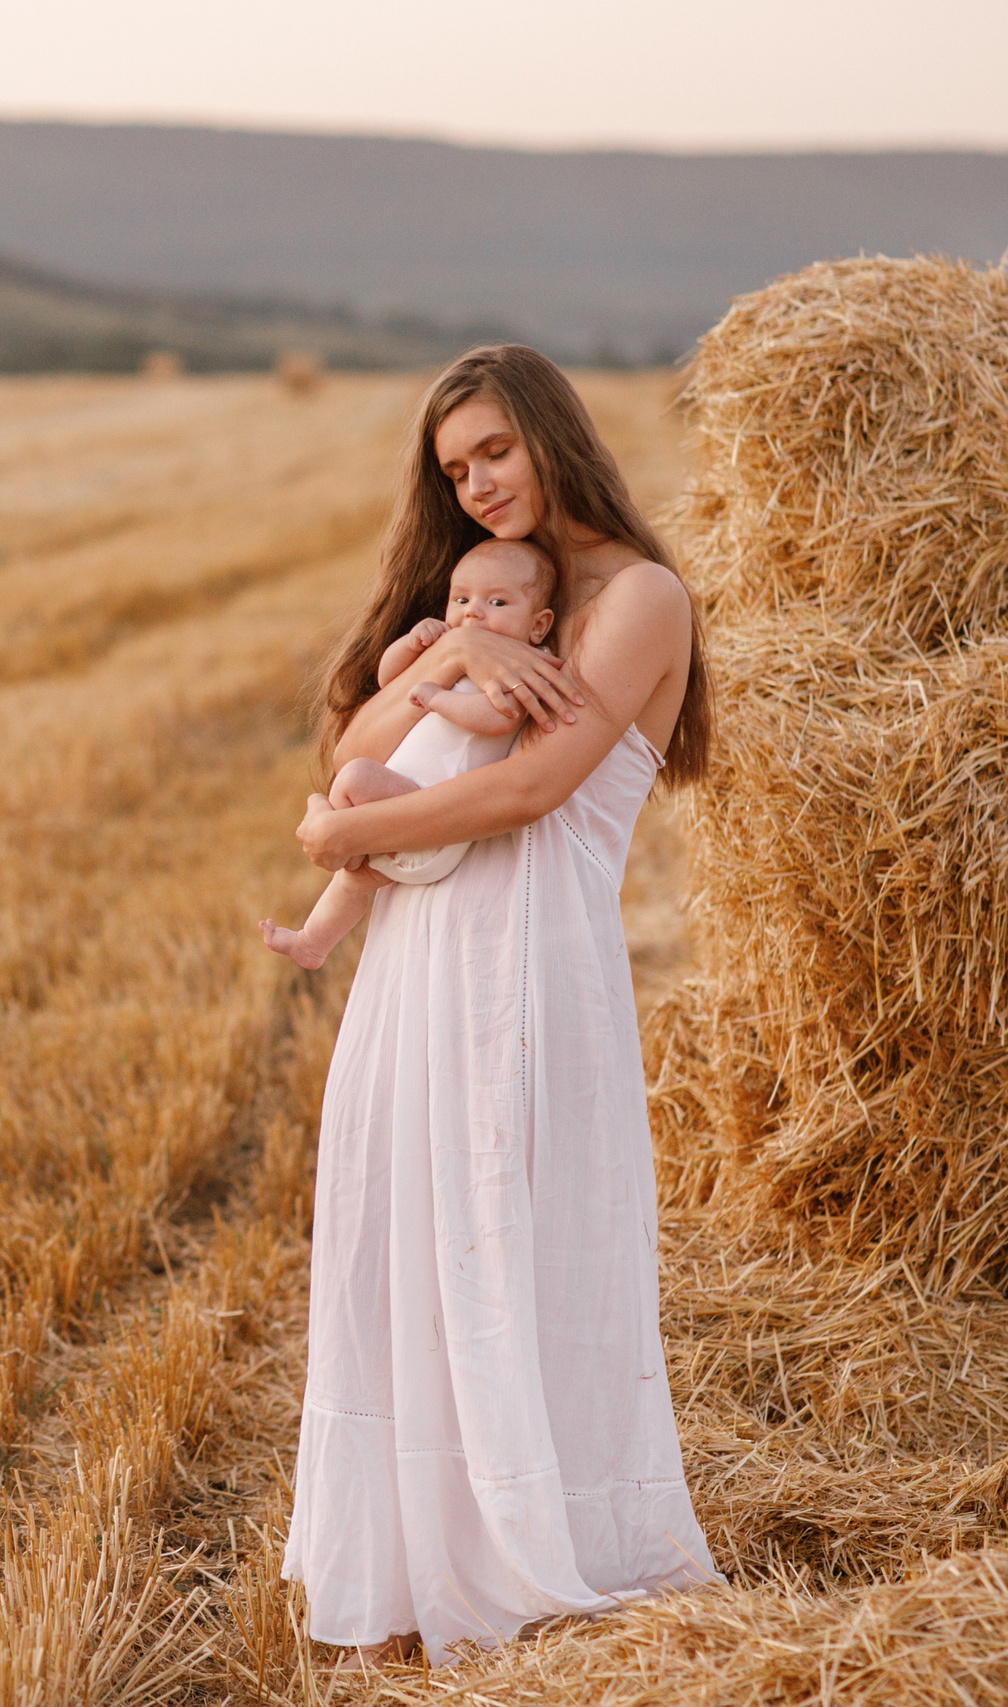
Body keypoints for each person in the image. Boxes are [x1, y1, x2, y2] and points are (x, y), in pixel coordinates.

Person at [278, 345, 725, 1669]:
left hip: (530, 968)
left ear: (551, 435)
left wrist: (331, 841)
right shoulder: (483, 606)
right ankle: (418, 1570)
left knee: (516, 1252)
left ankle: (529, 1559)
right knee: (402, 1253)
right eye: (455, 466)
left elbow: (526, 793)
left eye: (495, 452)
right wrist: (452, 648)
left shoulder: (639, 598)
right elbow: (355, 744)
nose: (475, 484)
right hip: (414, 963)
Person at [258, 537, 557, 971]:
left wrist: (439, 698)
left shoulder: (524, 663)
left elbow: (499, 718)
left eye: (496, 602)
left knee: (357, 777)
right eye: (461, 599)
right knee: (352, 883)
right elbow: (389, 680)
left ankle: (338, 832)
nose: (473, 611)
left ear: (538, 625)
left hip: (434, 819)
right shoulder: (454, 645)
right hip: (410, 805)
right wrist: (417, 647)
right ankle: (312, 942)